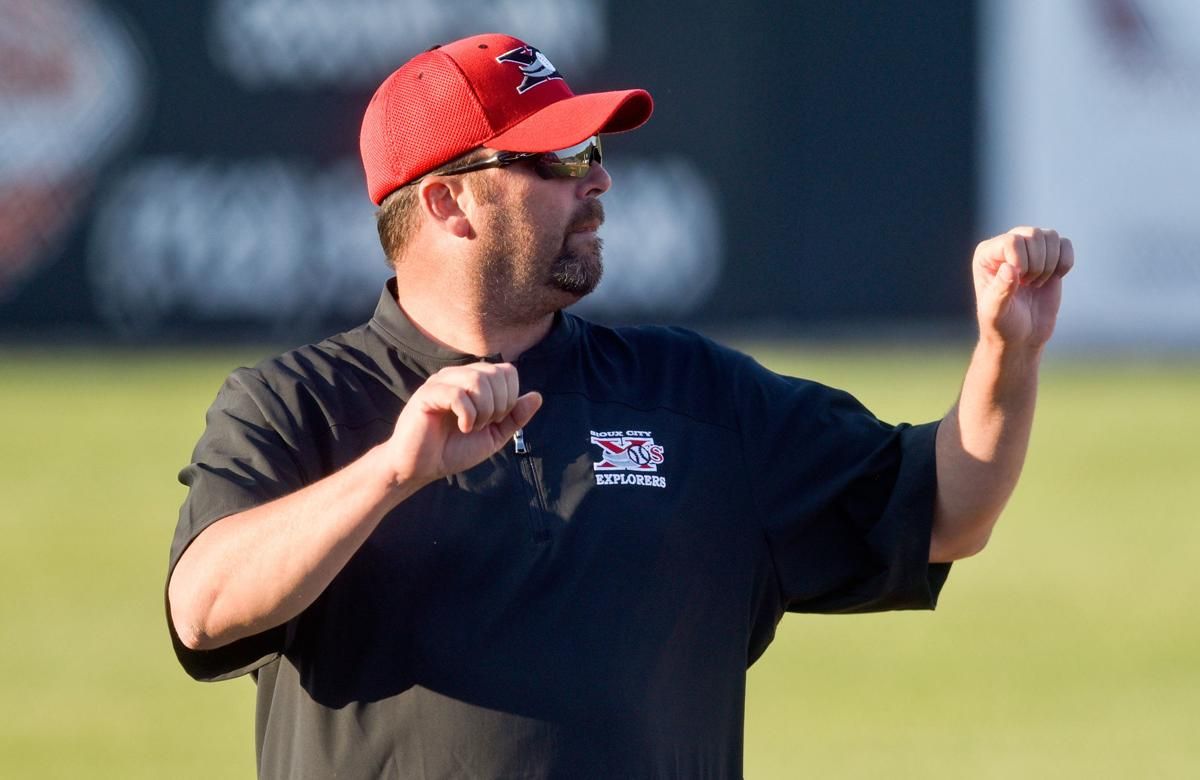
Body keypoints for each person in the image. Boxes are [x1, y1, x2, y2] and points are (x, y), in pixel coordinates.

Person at [165, 32, 1074, 779]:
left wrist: (1008, 351)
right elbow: (203, 607)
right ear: (447, 201)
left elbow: (946, 510)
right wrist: (391, 474)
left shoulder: (696, 396)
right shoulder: (296, 405)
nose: (597, 181)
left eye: (595, 152)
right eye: (558, 159)